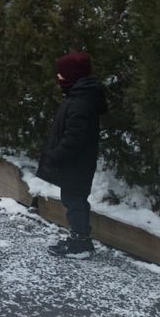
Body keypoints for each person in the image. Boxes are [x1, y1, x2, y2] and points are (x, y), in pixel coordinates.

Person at [38, 51, 108, 259]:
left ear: (73, 75)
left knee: (74, 200)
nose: (58, 77)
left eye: (62, 73)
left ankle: (80, 243)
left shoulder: (81, 102)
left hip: (76, 164)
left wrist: (55, 155)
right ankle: (79, 238)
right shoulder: (78, 96)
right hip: (76, 163)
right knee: (73, 199)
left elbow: (74, 137)